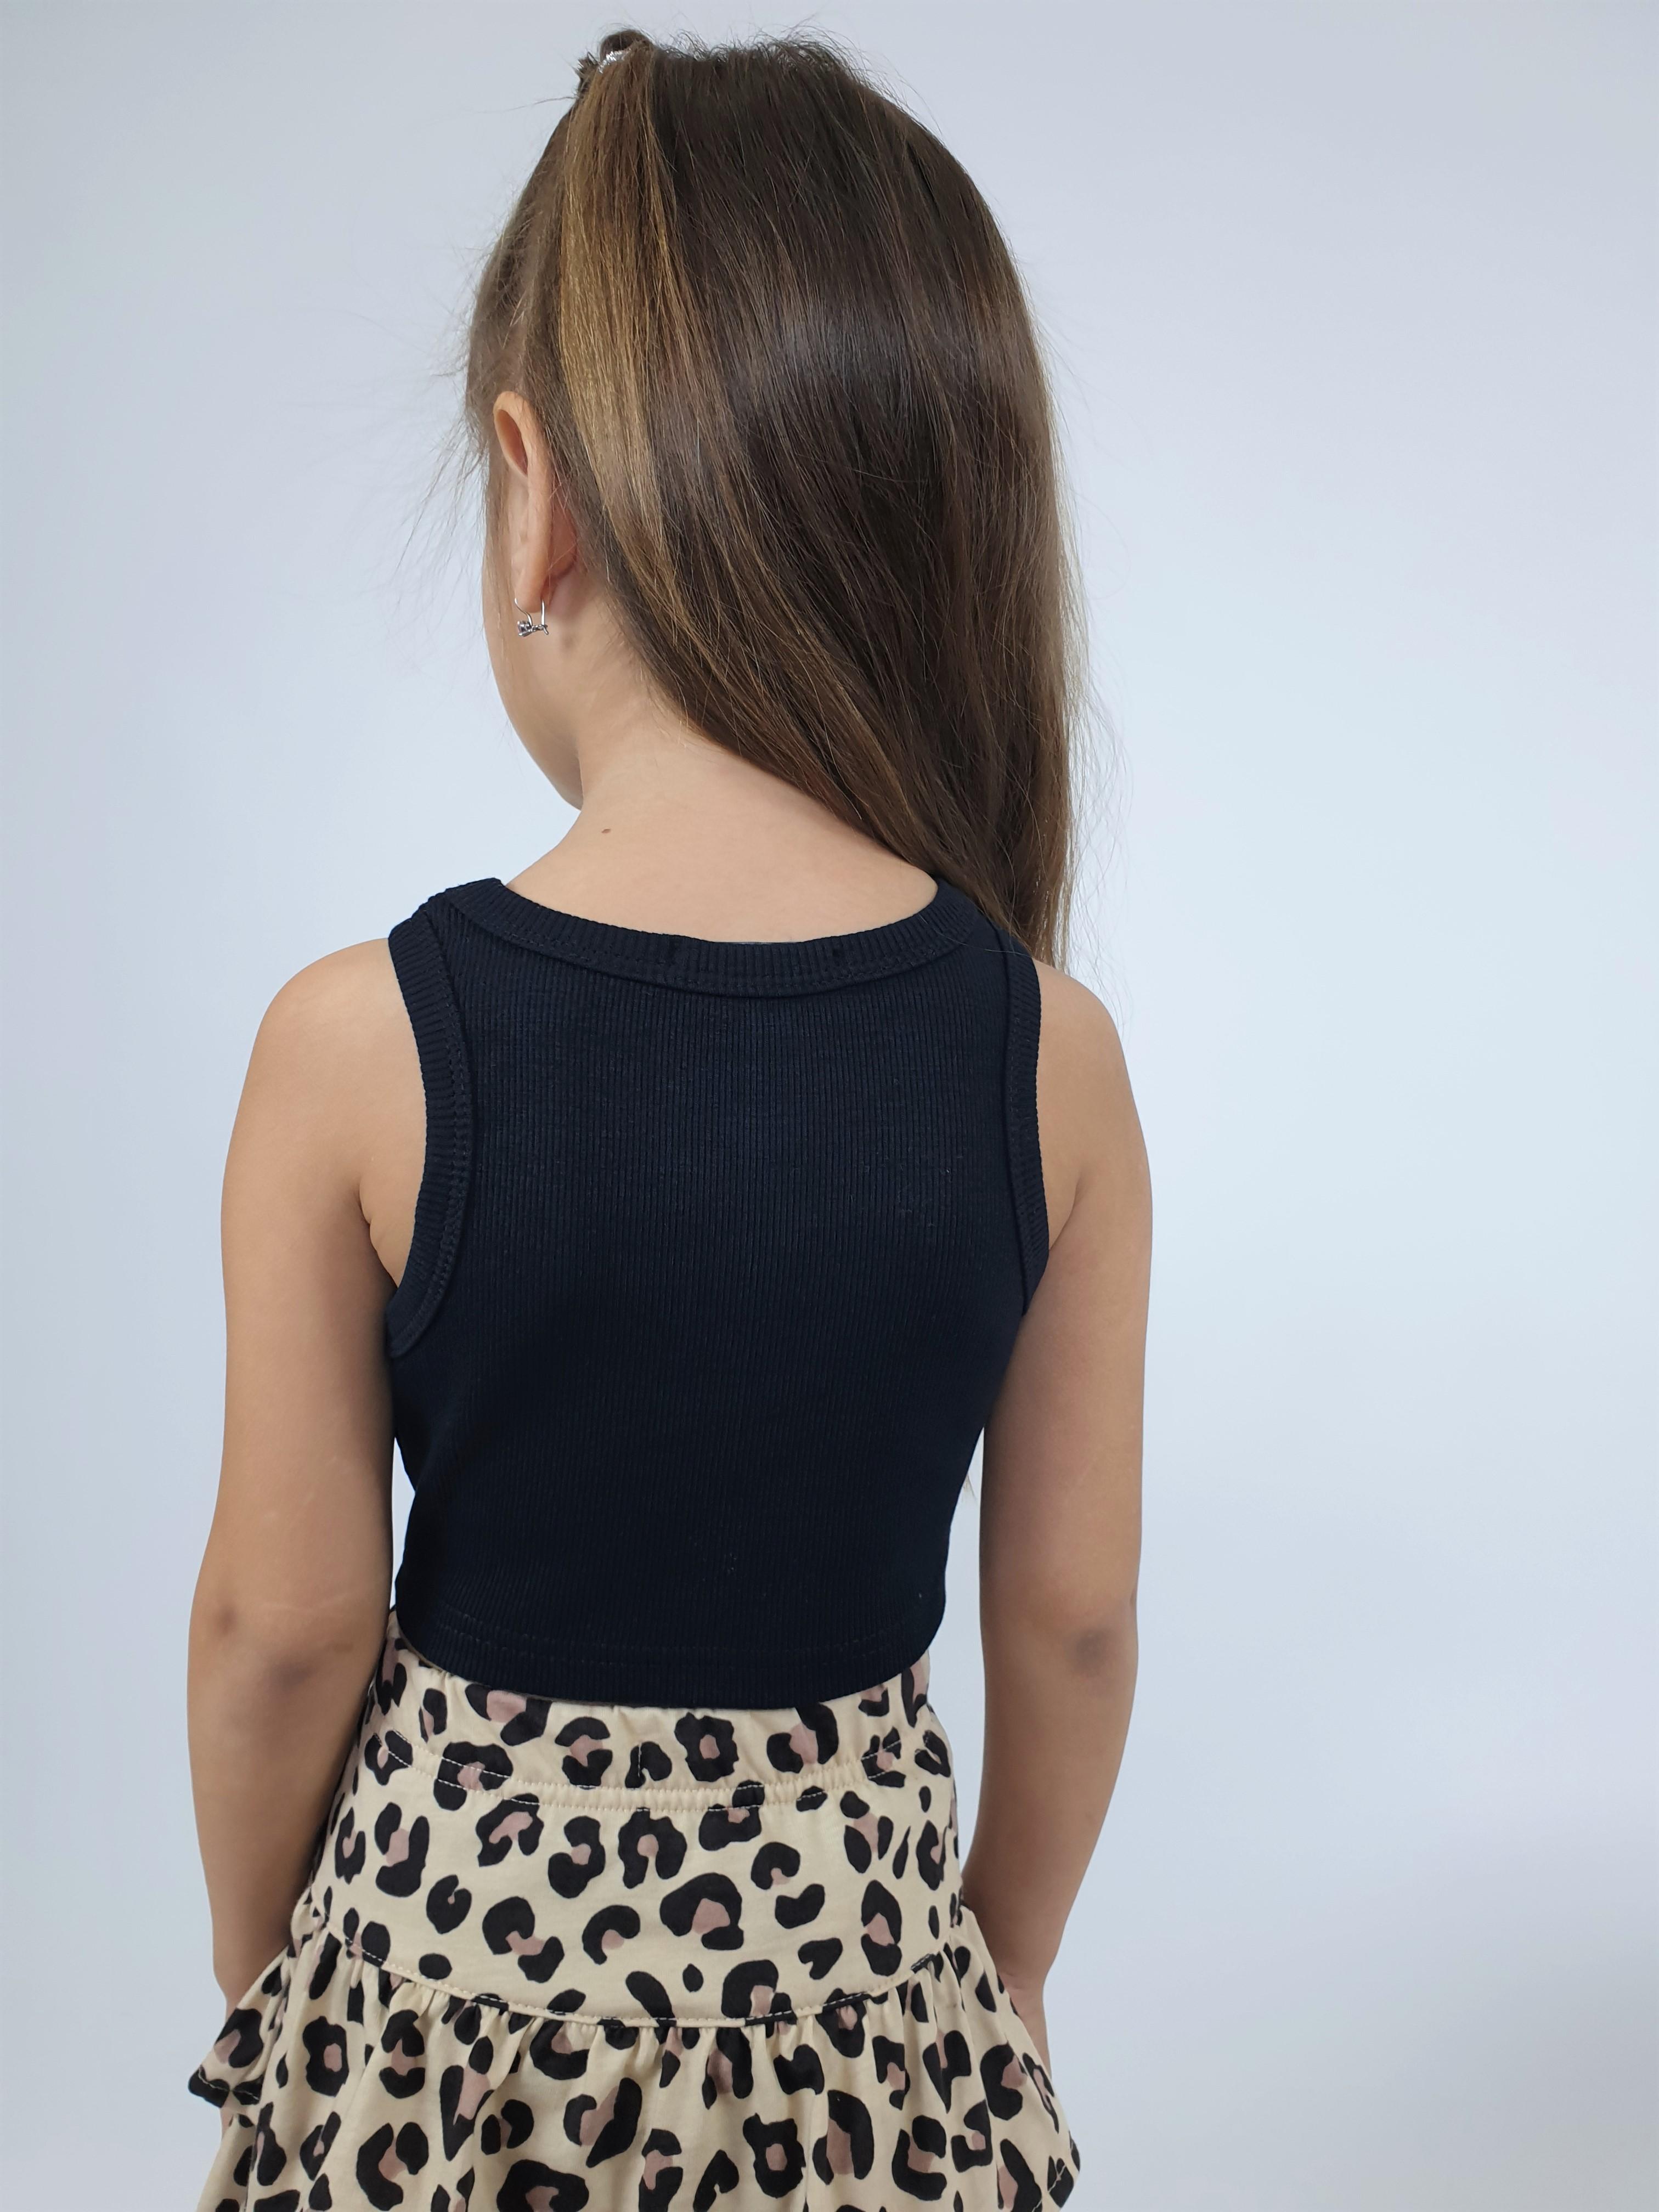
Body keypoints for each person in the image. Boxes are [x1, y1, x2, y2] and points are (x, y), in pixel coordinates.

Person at [185, 28, 1150, 2211]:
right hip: (858, 2008)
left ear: (534, 489)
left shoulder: (362, 1042)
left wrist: (276, 1984)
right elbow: (1073, 1619)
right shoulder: (1043, 1054)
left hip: (446, 2013)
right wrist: (989, 1977)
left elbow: (283, 1627)